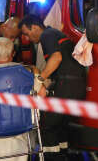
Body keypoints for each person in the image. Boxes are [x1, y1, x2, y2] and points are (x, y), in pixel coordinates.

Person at [18, 15, 86, 161]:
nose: (27, 38)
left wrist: (40, 80)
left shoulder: (47, 35)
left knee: (47, 124)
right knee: (61, 125)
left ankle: (51, 157)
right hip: (75, 85)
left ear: (35, 27)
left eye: (26, 33)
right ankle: (63, 155)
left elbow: (56, 58)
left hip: (67, 85)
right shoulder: (54, 34)